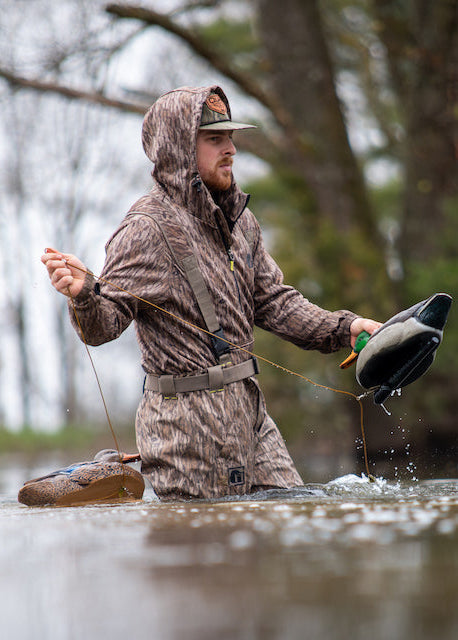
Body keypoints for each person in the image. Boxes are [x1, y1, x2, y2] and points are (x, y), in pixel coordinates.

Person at [42, 85, 381, 500]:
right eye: (214, 139)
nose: (231, 150)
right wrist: (84, 294)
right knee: (204, 554)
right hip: (187, 430)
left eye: (231, 138)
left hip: (250, 412)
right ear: (179, 147)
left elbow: (274, 302)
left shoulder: (241, 221)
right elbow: (102, 326)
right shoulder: (144, 229)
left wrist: (345, 329)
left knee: (291, 515)